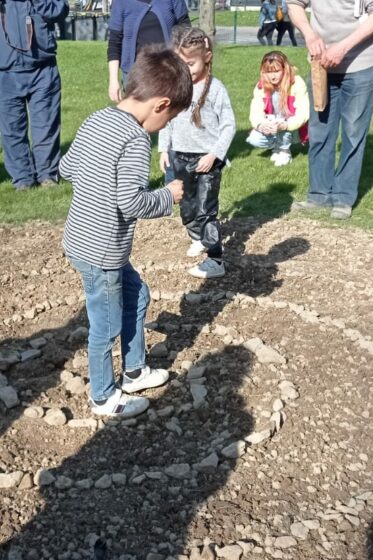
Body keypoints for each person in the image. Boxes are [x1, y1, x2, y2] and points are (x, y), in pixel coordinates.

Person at [60, 46, 192, 418]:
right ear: (161, 104)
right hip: (101, 251)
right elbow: (131, 203)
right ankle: (103, 397)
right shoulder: (135, 140)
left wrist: (97, 178)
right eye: (167, 121)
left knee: (137, 294)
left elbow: (67, 167)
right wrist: (167, 196)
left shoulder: (96, 118)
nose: (163, 128)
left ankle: (134, 371)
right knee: (106, 323)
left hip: (81, 239)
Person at [286, 0, 373, 219]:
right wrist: (309, 35)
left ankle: (343, 197)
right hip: (320, 62)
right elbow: (294, 5)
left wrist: (342, 47)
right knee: (319, 130)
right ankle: (318, 195)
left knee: (353, 131)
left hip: (362, 63)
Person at [158, 28, 235, 279]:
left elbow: (229, 126)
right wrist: (163, 149)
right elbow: (166, 119)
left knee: (205, 209)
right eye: (181, 62)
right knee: (187, 207)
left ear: (207, 57)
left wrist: (214, 155)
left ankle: (215, 259)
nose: (185, 68)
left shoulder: (216, 89)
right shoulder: (176, 86)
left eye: (190, 63)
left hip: (207, 160)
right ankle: (198, 237)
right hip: (180, 156)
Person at [0, 0, 68, 191]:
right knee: (11, 127)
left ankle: (47, 175)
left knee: (46, 125)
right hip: (4, 67)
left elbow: (60, 10)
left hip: (42, 65)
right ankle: (23, 179)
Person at [106, 0, 190, 103]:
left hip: (169, 71)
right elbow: (115, 42)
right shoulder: (121, 2)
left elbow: (185, 29)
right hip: (135, 75)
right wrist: (113, 80)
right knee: (137, 114)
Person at [246, 50, 309, 166]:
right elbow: (255, 111)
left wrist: (286, 125)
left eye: (276, 71)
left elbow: (303, 113)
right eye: (268, 72)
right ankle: (276, 148)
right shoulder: (261, 86)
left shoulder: (297, 83)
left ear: (285, 70)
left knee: (282, 124)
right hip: (272, 122)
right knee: (254, 139)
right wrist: (261, 125)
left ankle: (285, 151)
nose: (272, 76)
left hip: (293, 126)